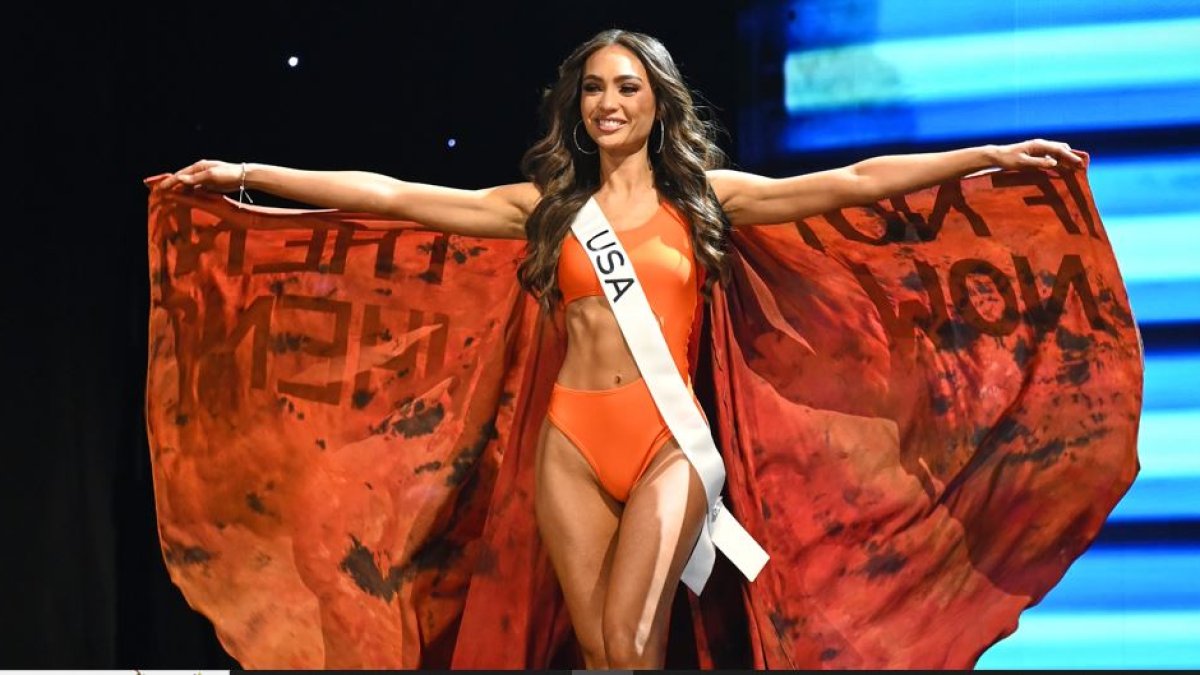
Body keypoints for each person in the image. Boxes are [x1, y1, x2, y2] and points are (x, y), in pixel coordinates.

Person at [159, 28, 1084, 670]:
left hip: (667, 447)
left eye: (626, 87)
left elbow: (852, 179)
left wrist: (985, 155)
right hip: (569, 441)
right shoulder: (547, 211)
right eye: (594, 88)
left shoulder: (706, 199)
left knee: (630, 626)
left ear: (658, 103)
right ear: (578, 107)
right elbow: (395, 196)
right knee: (606, 651)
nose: (608, 102)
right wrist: (247, 175)